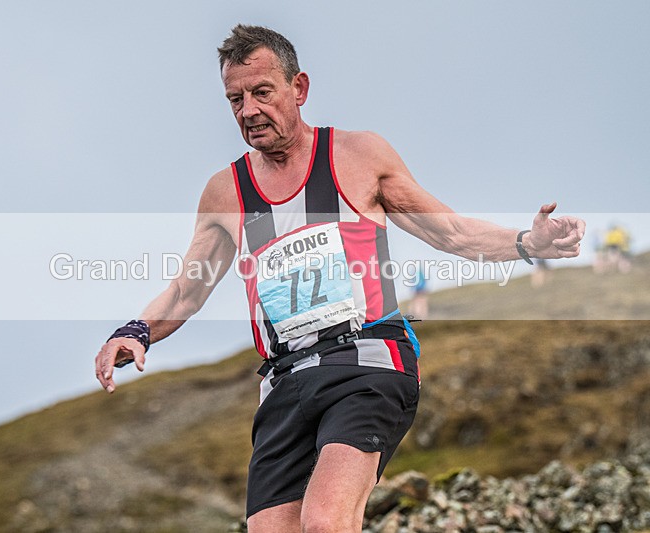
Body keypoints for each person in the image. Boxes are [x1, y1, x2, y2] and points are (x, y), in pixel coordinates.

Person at [94, 25, 585, 532]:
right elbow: (187, 288)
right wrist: (135, 331)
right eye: (235, 99)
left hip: (367, 361)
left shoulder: (358, 157)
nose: (247, 111)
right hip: (284, 381)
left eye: (262, 93)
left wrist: (530, 242)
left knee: (326, 521)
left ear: (298, 89)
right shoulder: (226, 192)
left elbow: (453, 233)